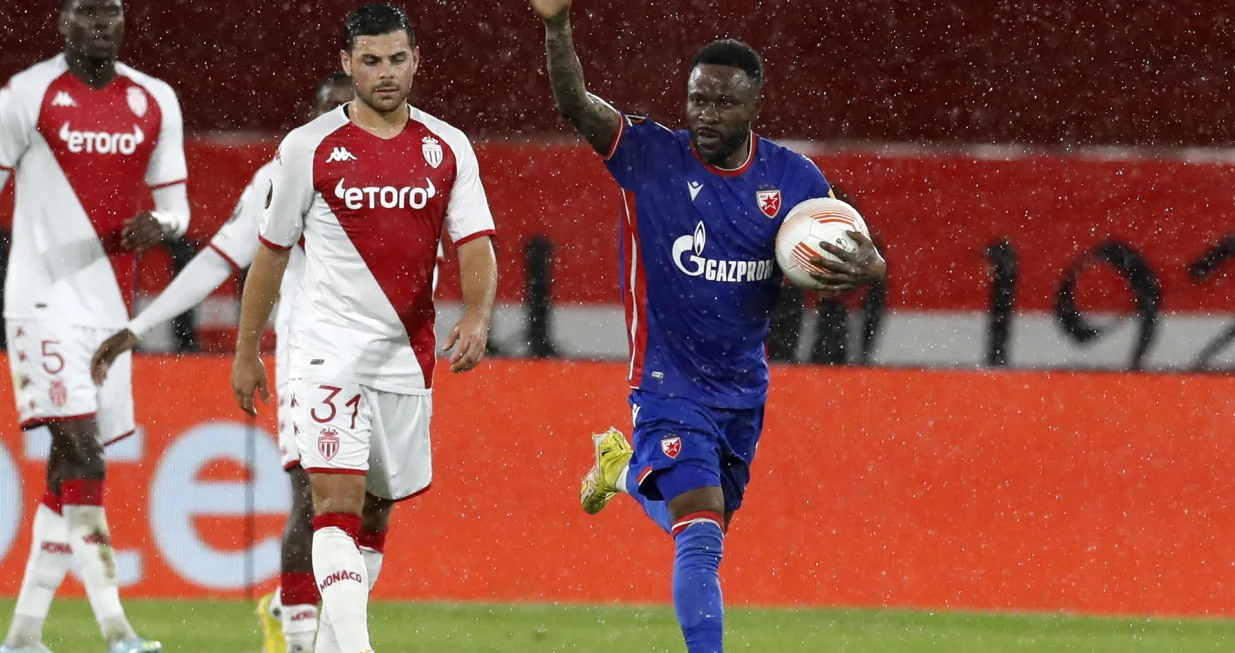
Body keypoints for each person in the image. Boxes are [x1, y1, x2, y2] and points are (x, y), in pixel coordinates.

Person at [527, 1, 886, 651]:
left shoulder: (792, 180)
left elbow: (852, 251)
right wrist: (556, 26)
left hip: (742, 389)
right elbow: (574, 102)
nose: (705, 115)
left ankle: (624, 468)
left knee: (703, 524)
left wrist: (871, 264)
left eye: (722, 104)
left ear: (754, 105)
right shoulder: (648, 156)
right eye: (696, 100)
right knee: (699, 533)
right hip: (665, 381)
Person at [230, 4, 498, 652]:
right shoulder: (307, 147)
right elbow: (269, 253)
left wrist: (480, 313)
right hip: (326, 350)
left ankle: (329, 643)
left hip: (406, 355)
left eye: (396, 59)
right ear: (347, 64)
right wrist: (246, 348)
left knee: (377, 509)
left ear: (416, 61)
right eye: (370, 61)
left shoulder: (447, 147)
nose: (385, 73)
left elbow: (476, 242)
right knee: (334, 501)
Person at [90, 72, 357, 653]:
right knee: (314, 499)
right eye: (324, 112)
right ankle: (299, 640)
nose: (335, 123)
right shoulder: (279, 180)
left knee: (367, 508)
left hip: (378, 363)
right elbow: (217, 261)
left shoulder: (397, 174)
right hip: (309, 358)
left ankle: (297, 610)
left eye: (346, 111)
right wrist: (138, 327)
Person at [0, 0, 189, 650]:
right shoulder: (26, 94)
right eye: (87, 11)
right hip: (41, 303)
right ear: (64, 22)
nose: (101, 22)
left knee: (68, 471)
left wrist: (159, 227)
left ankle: (22, 633)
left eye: (112, 10)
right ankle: (116, 629)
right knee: (81, 452)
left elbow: (179, 210)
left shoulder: (155, 99)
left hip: (110, 313)